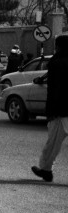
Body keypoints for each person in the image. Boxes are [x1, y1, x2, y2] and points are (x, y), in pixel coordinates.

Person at [31, 34, 68, 182]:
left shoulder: (57, 62)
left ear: (58, 47)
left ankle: (46, 170)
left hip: (61, 111)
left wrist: (51, 111)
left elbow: (54, 89)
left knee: (53, 143)